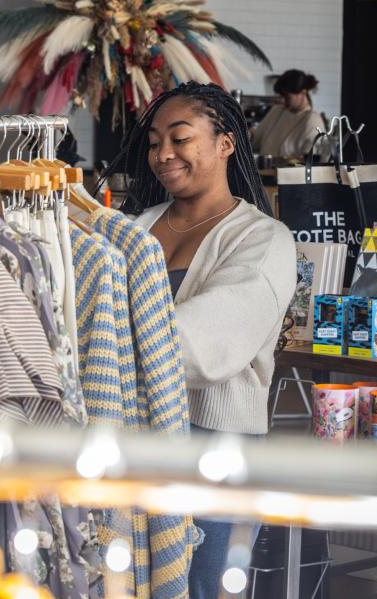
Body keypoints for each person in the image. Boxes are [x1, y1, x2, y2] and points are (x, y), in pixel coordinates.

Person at [106, 81, 296, 599]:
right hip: (134, 439)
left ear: (226, 143)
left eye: (180, 137)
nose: (162, 153)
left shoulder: (262, 240)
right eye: (153, 142)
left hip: (216, 447)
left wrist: (103, 343)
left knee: (202, 589)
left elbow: (213, 340)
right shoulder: (130, 230)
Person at [251, 68, 327, 160]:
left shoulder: (312, 120)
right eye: (281, 96)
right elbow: (256, 137)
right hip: (263, 172)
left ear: (303, 92)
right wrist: (245, 134)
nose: (282, 101)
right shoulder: (277, 111)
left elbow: (309, 159)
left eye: (287, 97)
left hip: (289, 174)